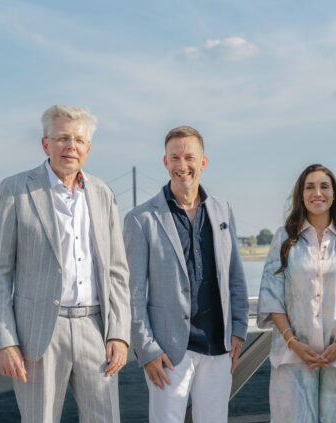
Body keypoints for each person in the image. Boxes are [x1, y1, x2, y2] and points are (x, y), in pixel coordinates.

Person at [0, 104, 130, 422]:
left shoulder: (103, 194)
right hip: (38, 334)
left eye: (79, 140)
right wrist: (5, 341)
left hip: (96, 328)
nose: (71, 146)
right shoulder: (14, 190)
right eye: (62, 138)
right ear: (45, 143)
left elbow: (117, 272)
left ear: (88, 148)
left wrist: (119, 334)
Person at [123, 125, 249, 423]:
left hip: (219, 346)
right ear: (165, 162)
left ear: (203, 162)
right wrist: (147, 350)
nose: (182, 165)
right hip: (167, 351)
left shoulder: (222, 210)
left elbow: (234, 274)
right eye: (175, 158)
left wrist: (238, 330)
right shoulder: (141, 219)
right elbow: (133, 293)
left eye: (189, 157)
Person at [257, 163, 336, 422]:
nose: (317, 193)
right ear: (301, 195)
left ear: (334, 194)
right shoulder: (284, 238)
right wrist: (293, 343)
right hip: (291, 357)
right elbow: (271, 296)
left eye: (324, 186)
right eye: (310, 187)